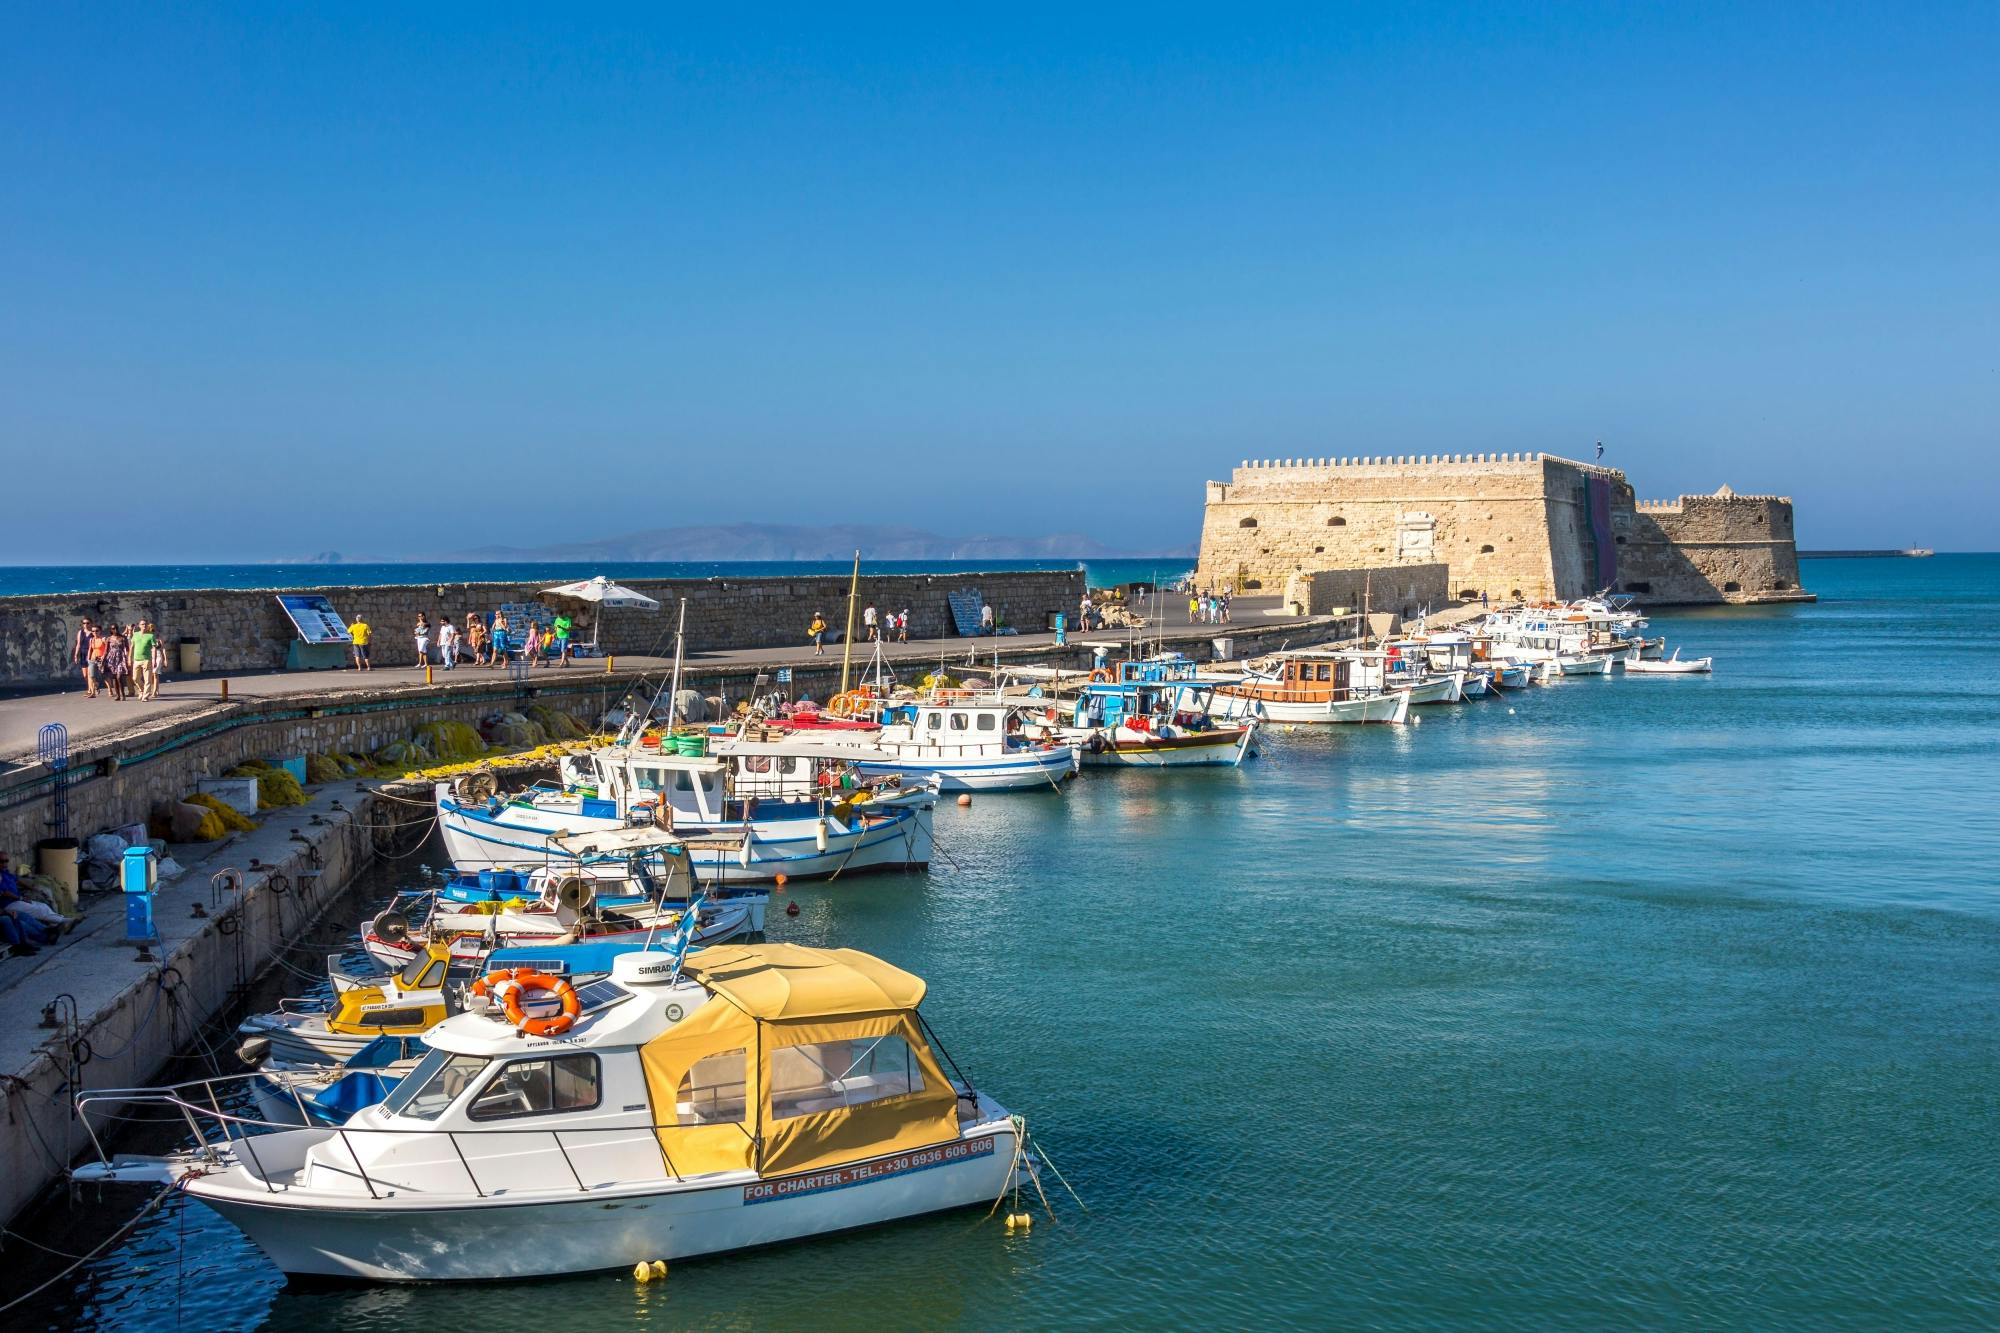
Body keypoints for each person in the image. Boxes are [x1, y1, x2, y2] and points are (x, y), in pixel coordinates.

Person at [130, 620, 156, 701]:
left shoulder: (150, 635)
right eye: (142, 624)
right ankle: (141, 690)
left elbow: (154, 648)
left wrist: (154, 659)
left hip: (146, 659)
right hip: (136, 659)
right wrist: (129, 658)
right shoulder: (135, 634)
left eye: (145, 624)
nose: (144, 625)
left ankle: (145, 696)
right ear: (139, 625)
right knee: (135, 678)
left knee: (147, 679)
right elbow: (132, 646)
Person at [103, 626, 131, 702]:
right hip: (111, 659)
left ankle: (123, 694)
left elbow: (128, 649)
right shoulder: (109, 639)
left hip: (121, 658)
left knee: (119, 676)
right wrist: (103, 659)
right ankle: (118, 695)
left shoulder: (122, 638)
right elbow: (106, 650)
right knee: (114, 677)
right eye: (113, 629)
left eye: (116, 628)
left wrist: (128, 658)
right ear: (111, 630)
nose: (115, 630)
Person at [71, 618, 97, 697]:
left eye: (88, 623)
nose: (86, 625)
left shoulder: (93, 632)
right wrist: (76, 655)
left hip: (90, 654)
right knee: (85, 675)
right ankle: (95, 684)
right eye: (84, 623)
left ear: (91, 623)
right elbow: (78, 644)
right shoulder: (80, 632)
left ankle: (90, 690)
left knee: (89, 674)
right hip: (82, 653)